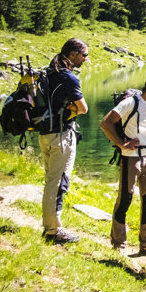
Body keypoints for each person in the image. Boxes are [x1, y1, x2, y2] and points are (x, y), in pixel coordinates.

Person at [99, 71, 146, 254]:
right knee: (125, 199)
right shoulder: (131, 102)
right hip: (130, 158)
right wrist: (122, 143)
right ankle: (118, 244)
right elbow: (106, 123)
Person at [39, 38, 89, 244]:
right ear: (72, 54)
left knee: (52, 180)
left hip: (45, 134)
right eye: (84, 55)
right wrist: (75, 108)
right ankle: (53, 230)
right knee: (58, 182)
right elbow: (84, 108)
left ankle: (51, 225)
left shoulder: (47, 73)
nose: (86, 59)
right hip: (62, 136)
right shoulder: (68, 78)